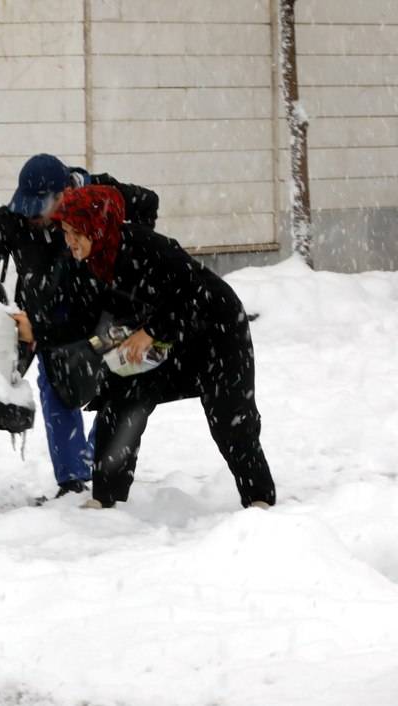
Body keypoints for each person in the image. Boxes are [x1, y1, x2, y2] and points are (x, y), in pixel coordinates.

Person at [0, 154, 158, 499]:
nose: (31, 217)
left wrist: (128, 252)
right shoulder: (14, 220)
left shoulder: (98, 194)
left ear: (62, 195)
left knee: (121, 382)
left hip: (103, 312)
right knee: (57, 388)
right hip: (49, 321)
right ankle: (73, 480)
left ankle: (102, 457)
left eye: (37, 208)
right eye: (25, 208)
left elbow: (148, 203)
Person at [51, 184, 276, 510]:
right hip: (163, 341)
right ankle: (105, 500)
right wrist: (39, 329)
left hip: (216, 331)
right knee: (121, 404)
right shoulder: (87, 263)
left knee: (229, 417)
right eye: (66, 232)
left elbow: (194, 294)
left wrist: (151, 331)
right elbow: (82, 318)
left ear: (98, 229)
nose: (70, 241)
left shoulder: (144, 247)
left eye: (77, 233)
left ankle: (259, 501)